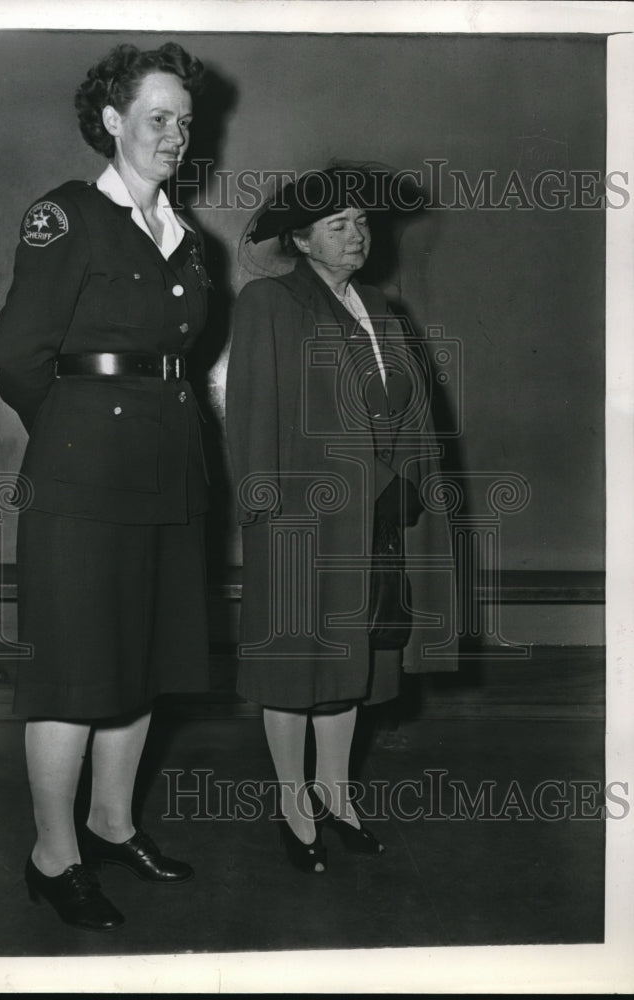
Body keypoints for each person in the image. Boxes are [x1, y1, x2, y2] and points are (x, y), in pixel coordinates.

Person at [0, 42, 212, 930]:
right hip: (83, 481)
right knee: (73, 670)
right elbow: (18, 359)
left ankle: (113, 824)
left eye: (184, 122)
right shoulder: (68, 215)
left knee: (142, 656)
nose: (174, 135)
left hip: (169, 474)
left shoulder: (189, 239)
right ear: (113, 120)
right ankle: (54, 855)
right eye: (157, 118)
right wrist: (76, 441)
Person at [225, 167, 456, 873]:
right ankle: (293, 802)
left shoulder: (380, 307)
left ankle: (336, 794)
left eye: (361, 223)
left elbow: (412, 407)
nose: (357, 236)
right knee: (296, 663)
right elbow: (253, 408)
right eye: (338, 225)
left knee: (351, 660)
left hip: (372, 514)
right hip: (301, 514)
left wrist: (409, 482)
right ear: (301, 240)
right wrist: (261, 503)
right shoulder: (270, 301)